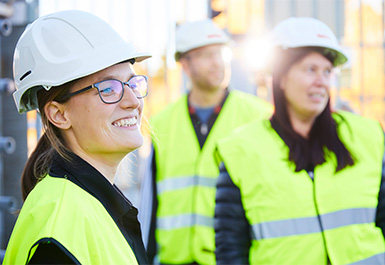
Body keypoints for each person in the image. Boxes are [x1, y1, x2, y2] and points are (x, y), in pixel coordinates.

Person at [214, 16, 385, 265]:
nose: (322, 81)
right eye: (310, 70)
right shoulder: (242, 150)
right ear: (281, 78)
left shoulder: (367, 136)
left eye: (327, 71)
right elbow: (231, 250)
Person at [3, 10, 151, 264]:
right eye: (108, 88)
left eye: (132, 83)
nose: (132, 100)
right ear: (58, 115)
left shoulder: (88, 202)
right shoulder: (59, 226)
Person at [139, 19, 272, 264]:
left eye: (222, 53)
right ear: (185, 65)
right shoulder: (162, 123)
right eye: (206, 55)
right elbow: (150, 202)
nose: (217, 62)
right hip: (173, 259)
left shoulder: (259, 116)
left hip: (232, 256)